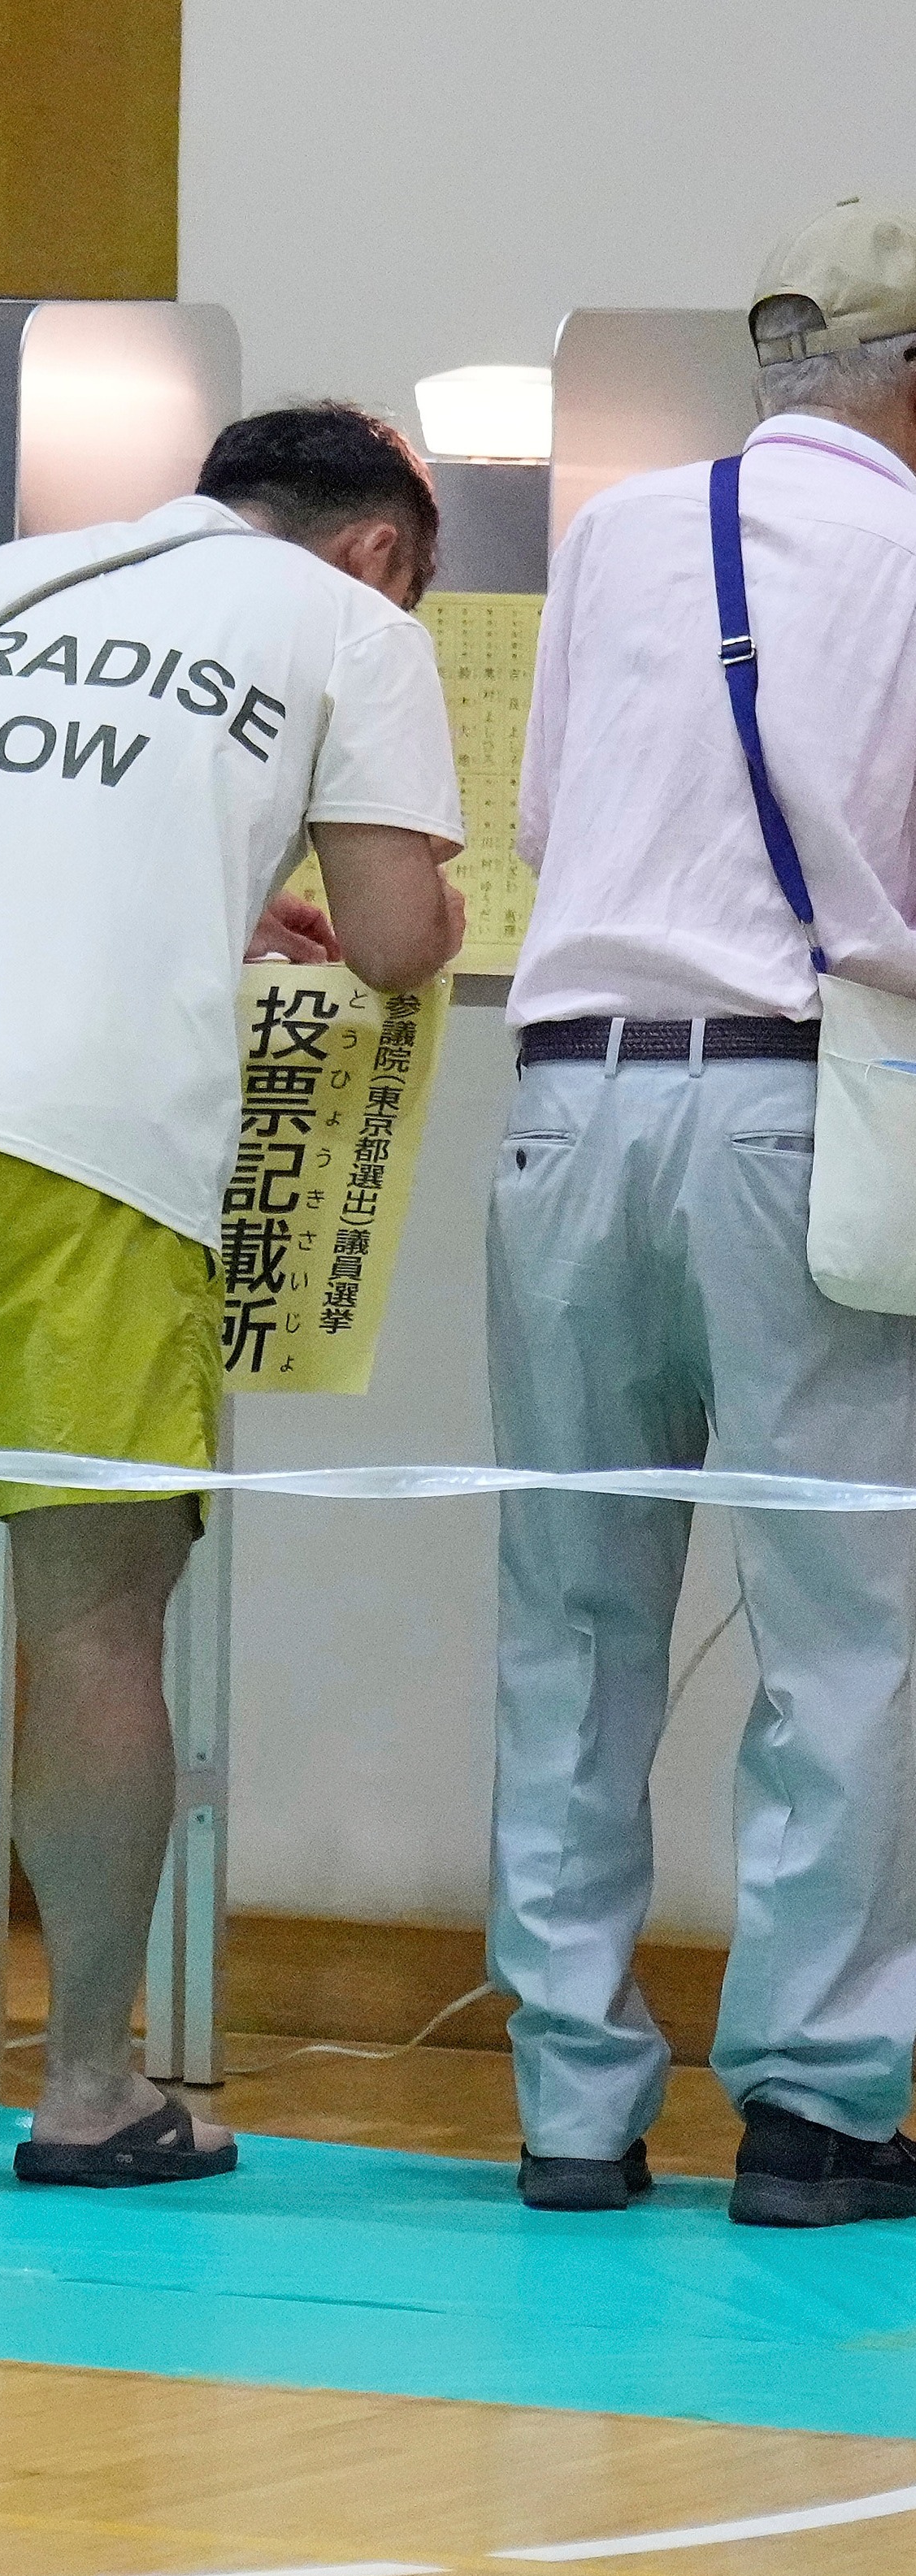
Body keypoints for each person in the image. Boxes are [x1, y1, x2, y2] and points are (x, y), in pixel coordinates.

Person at [0, 404, 471, 2184]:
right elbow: (389, 933)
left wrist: (211, 893)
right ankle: (86, 2082)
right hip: (81, 1149)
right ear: (377, 550)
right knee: (94, 1622)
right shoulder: (351, 629)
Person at [488, 201, 916, 2229]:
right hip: (797, 1107)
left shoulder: (619, 534)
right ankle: (818, 2105)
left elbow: (552, 828)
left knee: (566, 1613)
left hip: (563, 1098)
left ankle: (569, 2104)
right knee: (841, 1626)